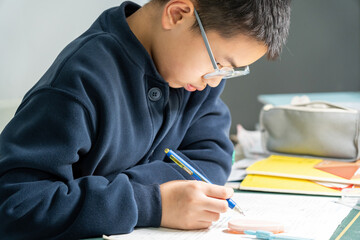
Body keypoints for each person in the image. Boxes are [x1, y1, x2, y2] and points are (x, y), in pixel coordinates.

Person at [0, 0, 291, 239]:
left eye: (229, 72)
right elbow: (14, 205)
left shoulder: (192, 80)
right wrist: (152, 202)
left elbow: (212, 159)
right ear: (177, 14)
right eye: (220, 64)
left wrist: (140, 193)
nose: (215, 82)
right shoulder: (79, 82)